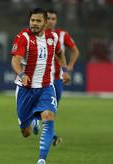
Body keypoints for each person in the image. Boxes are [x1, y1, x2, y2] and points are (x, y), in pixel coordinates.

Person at [11, 8, 70, 164]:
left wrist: (64, 70)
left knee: (49, 116)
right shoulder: (23, 37)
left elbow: (60, 53)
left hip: (45, 87)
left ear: (45, 23)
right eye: (32, 20)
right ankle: (32, 121)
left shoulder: (53, 37)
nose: (34, 24)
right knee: (26, 132)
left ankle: (41, 160)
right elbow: (15, 60)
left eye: (38, 21)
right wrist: (22, 74)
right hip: (25, 89)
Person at [46, 9, 80, 146]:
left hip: (57, 79)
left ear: (56, 20)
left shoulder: (62, 35)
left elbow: (75, 50)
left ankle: (50, 134)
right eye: (48, 18)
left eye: (53, 18)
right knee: (43, 106)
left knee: (52, 108)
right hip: (41, 79)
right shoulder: (36, 34)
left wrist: (70, 66)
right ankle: (50, 134)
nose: (51, 21)